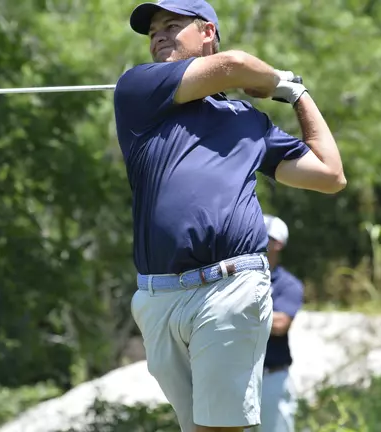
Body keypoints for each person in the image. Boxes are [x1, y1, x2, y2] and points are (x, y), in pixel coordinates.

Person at [113, 0, 346, 431]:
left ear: (208, 33)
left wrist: (297, 95)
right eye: (153, 32)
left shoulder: (248, 122)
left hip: (230, 285)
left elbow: (330, 175)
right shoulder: (138, 90)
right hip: (157, 297)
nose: (159, 35)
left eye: (172, 25)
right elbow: (235, 65)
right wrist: (276, 80)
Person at [246, 215, 304, 432]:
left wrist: (238, 313)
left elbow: (280, 324)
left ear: (277, 243)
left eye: (261, 236)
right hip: (237, 376)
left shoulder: (288, 284)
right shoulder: (237, 277)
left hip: (271, 378)